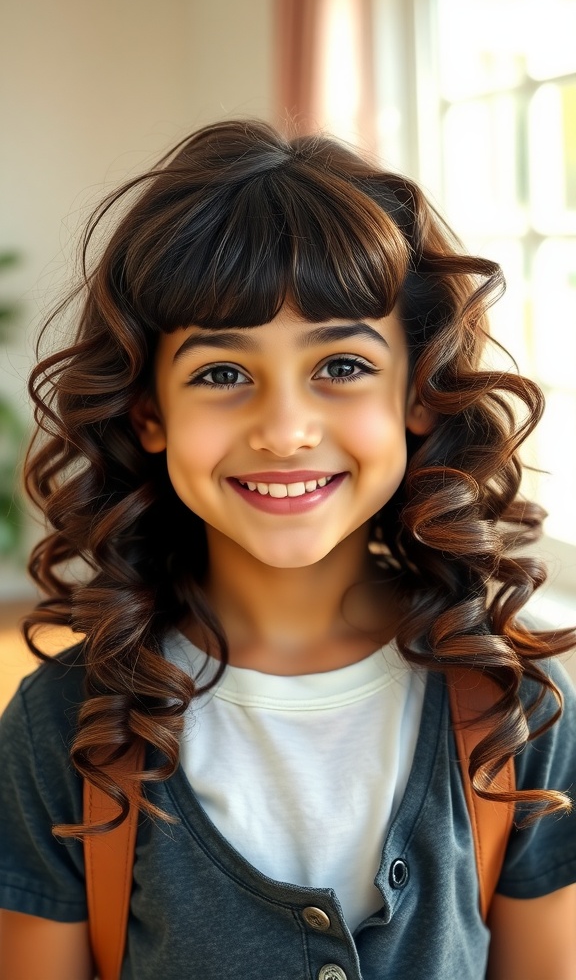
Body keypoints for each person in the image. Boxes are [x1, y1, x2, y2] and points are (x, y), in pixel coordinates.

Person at [0, 120, 575, 980]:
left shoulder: (515, 703)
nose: (284, 430)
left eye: (341, 364)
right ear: (149, 412)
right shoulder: (63, 730)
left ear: (416, 391)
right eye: (222, 374)